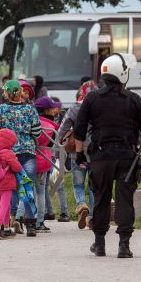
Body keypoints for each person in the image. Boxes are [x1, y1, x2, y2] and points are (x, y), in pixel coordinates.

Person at [74, 53, 141, 258]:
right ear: (123, 73)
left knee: (101, 198)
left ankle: (99, 243)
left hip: (100, 157)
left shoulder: (91, 98)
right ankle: (124, 245)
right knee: (124, 199)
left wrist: (79, 155)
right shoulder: (134, 99)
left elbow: (80, 130)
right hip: (127, 157)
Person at [0, 80, 42, 236]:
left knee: (10, 188)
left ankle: (10, 221)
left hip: (7, 153)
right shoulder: (30, 110)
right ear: (20, 92)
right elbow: (37, 132)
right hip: (28, 152)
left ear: (6, 93)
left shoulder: (0, 110)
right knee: (27, 187)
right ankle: (31, 224)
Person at [58, 80, 98, 229]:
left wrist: (59, 144)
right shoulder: (101, 107)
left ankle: (81, 204)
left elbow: (63, 128)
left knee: (78, 184)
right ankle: (93, 217)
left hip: (78, 151)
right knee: (94, 186)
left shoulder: (74, 108)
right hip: (96, 153)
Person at [35, 96, 69, 222]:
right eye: (52, 107)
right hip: (49, 159)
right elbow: (55, 143)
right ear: (47, 110)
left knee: (35, 189)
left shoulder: (33, 121)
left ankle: (41, 214)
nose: (55, 109)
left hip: (35, 159)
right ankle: (44, 217)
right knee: (47, 188)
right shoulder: (52, 126)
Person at [0, 128, 23, 239]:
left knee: (7, 205)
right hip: (7, 184)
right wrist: (16, 159)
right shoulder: (8, 153)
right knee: (4, 207)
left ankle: (7, 228)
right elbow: (17, 168)